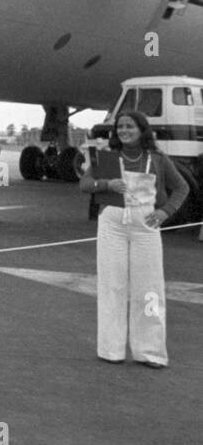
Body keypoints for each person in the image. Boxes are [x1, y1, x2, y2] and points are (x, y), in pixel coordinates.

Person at [78, 110, 184, 368]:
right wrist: (105, 184)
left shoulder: (157, 158)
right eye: (121, 127)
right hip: (112, 224)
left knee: (149, 290)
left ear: (142, 129)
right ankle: (110, 349)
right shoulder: (107, 157)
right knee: (111, 286)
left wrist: (165, 211)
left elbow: (182, 187)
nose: (124, 131)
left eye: (130, 126)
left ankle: (150, 352)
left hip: (145, 225)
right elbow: (85, 184)